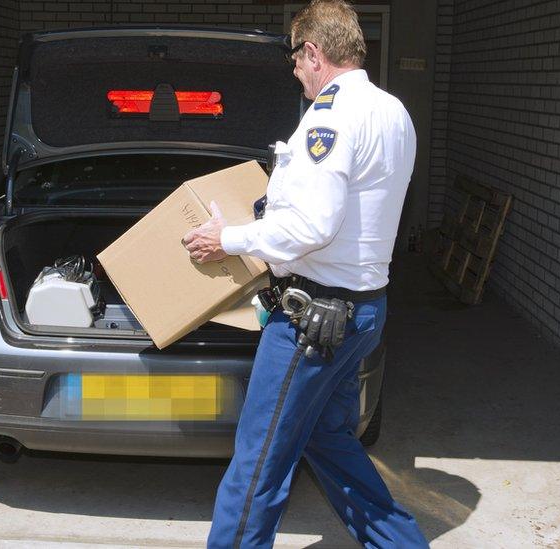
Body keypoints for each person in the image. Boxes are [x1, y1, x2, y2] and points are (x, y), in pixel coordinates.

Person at [181, 1, 429, 547]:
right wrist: (252, 219)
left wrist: (228, 239)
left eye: (295, 58)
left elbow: (310, 227)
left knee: (258, 463)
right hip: (363, 311)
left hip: (312, 323)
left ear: (313, 52)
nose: (293, 70)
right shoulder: (393, 111)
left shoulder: (330, 117)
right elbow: (340, 211)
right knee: (328, 439)